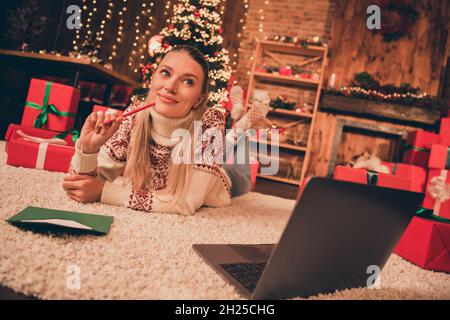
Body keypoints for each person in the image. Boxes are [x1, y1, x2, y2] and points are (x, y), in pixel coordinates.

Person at [62, 45, 251, 215]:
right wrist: (88, 149)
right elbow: (80, 185)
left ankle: (243, 127)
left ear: (200, 99)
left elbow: (185, 202)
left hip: (225, 178)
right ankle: (238, 128)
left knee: (241, 165)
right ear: (153, 77)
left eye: (188, 82)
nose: (170, 86)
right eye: (166, 73)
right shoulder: (134, 117)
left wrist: (105, 192)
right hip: (207, 152)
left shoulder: (211, 120)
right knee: (225, 143)